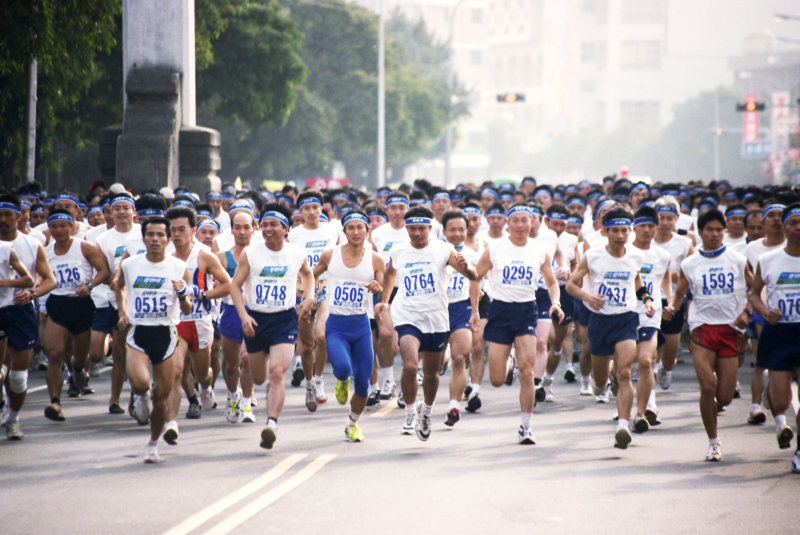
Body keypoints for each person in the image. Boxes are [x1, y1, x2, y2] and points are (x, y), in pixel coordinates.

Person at [376, 205, 477, 441]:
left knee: (431, 374)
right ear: (407, 229)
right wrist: (385, 300)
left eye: (422, 228)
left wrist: (466, 268)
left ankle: (427, 411)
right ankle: (410, 413)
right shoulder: (400, 251)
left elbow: (472, 276)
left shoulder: (444, 250)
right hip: (407, 315)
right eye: (412, 229)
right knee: (410, 365)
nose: (417, 233)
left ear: (431, 228)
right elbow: (391, 273)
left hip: (436, 318)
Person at [566, 207, 654, 449]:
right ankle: (602, 382)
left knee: (625, 373)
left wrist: (646, 299)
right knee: (601, 380)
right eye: (615, 230)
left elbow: (636, 279)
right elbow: (571, 286)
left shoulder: (636, 256)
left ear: (631, 230)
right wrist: (587, 296)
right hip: (600, 321)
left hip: (626, 318)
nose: (620, 235)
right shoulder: (593, 256)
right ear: (605, 231)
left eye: (625, 230)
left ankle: (623, 425)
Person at [475, 203, 563, 444]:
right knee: (496, 380)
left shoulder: (539, 250)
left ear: (533, 222)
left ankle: (526, 426)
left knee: (527, 371)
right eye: (516, 220)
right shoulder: (495, 249)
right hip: (500, 310)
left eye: (526, 220)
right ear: (508, 223)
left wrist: (556, 302)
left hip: (526, 310)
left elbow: (551, 282)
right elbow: (476, 276)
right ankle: (509, 360)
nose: (522, 225)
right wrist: (475, 308)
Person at [665, 208, 748, 462]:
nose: (715, 234)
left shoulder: (737, 260)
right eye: (709, 230)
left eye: (719, 230)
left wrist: (749, 312)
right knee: (707, 387)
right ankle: (713, 442)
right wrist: (672, 308)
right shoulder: (690, 263)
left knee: (723, 396)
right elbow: (680, 292)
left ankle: (717, 408)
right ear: (700, 233)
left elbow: (755, 290)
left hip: (731, 328)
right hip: (702, 328)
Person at [229, 203, 314, 450]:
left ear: (285, 228)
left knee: (277, 373)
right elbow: (235, 286)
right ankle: (260, 390)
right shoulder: (251, 254)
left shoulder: (296, 253)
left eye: (273, 224)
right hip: (256, 319)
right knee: (259, 377)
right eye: (264, 224)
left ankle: (271, 424)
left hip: (283, 319)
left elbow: (307, 274)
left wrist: (308, 297)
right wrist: (244, 316)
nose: (267, 229)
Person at [115, 217, 193, 463]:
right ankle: (140, 395)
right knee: (140, 382)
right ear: (144, 238)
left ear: (168, 239)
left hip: (166, 334)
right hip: (139, 332)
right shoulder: (130, 265)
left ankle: (152, 444)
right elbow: (118, 286)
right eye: (151, 235)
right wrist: (122, 310)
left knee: (161, 397)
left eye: (161, 235)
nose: (156, 239)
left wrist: (182, 296)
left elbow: (188, 309)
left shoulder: (179, 267)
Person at [313, 210, 385, 441]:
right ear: (344, 231)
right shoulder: (329, 255)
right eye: (350, 228)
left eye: (360, 227)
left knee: (364, 384)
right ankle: (342, 382)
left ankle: (352, 423)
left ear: (367, 230)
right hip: (337, 325)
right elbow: (310, 275)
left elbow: (382, 285)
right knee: (343, 368)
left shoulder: (375, 258)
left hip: (361, 326)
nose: (355, 232)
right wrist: (310, 297)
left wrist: (378, 288)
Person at [164, 207, 231, 435]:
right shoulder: (164, 256)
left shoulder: (204, 256)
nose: (177, 235)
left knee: (203, 373)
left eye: (182, 229)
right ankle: (191, 401)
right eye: (172, 230)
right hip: (176, 320)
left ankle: (205, 388)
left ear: (193, 230)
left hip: (200, 319)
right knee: (178, 367)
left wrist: (202, 294)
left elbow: (228, 284)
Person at [42, 208, 110, 420]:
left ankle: (79, 371)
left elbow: (104, 271)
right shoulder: (46, 252)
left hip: (81, 305)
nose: (59, 230)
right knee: (55, 354)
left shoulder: (84, 247)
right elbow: (41, 276)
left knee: (79, 356)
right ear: (49, 229)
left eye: (63, 225)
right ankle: (55, 403)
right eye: (54, 226)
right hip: (58, 304)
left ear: (71, 226)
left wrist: (89, 285)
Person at [748, 201, 800, 472]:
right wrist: (766, 311)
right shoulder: (768, 260)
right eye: (792, 222)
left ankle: (799, 450)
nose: (797, 228)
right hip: (779, 332)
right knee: (780, 401)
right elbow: (754, 294)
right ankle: (780, 419)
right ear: (785, 227)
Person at [0, 194, 57, 440]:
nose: (2, 220)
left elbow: (49, 280)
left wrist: (32, 293)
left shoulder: (32, 245)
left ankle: (13, 419)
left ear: (19, 216)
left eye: (7, 215)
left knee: (19, 377)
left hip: (20, 310)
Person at [288, 190, 341, 411]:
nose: (312, 212)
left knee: (322, 335)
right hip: (302, 291)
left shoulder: (333, 231)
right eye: (307, 208)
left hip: (327, 288)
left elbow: (341, 257)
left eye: (316, 207)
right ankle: (309, 383)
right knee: (308, 344)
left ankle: (319, 380)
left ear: (322, 209)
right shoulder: (293, 235)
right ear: (300, 212)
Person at [95, 193, 142, 415]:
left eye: (126, 207)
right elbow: (103, 270)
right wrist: (116, 284)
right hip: (116, 301)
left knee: (140, 353)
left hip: (144, 302)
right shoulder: (104, 239)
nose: (122, 212)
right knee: (120, 354)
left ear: (134, 212)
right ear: (111, 213)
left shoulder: (144, 234)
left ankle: (136, 396)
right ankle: (114, 400)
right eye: (117, 208)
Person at [628, 206, 671, 431]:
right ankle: (622, 398)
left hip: (650, 314)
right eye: (642, 225)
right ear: (633, 228)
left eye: (651, 226)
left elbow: (664, 279)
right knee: (625, 367)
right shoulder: (622, 251)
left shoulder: (662, 255)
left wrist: (669, 300)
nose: (647, 230)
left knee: (646, 361)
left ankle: (642, 411)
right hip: (623, 313)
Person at [744, 203, 786, 425]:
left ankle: (778, 397)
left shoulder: (793, 245)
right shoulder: (753, 248)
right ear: (763, 223)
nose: (776, 220)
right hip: (762, 309)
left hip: (790, 314)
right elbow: (748, 276)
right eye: (771, 216)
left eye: (781, 216)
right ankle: (755, 406)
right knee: (760, 359)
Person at [216, 207, 258, 423]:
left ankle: (247, 403)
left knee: (247, 358)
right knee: (232, 364)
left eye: (247, 227)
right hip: (231, 312)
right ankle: (234, 396)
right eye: (238, 227)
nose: (242, 232)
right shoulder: (222, 258)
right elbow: (213, 284)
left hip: (254, 312)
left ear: (254, 229)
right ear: (231, 230)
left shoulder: (262, 255)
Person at [440, 209, 480, 426]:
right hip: (437, 311)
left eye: (461, 230)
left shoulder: (472, 254)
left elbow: (475, 283)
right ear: (443, 230)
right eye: (452, 229)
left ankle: (453, 405)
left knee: (460, 358)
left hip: (460, 310)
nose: (457, 234)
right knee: (433, 368)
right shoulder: (435, 251)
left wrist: (475, 311)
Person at [371, 192, 411, 402]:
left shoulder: (414, 231)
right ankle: (388, 380)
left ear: (407, 209)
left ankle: (408, 382)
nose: (397, 212)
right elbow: (373, 260)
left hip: (409, 290)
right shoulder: (378, 234)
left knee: (407, 339)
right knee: (385, 334)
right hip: (386, 290)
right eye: (393, 207)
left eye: (401, 207)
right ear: (386, 211)